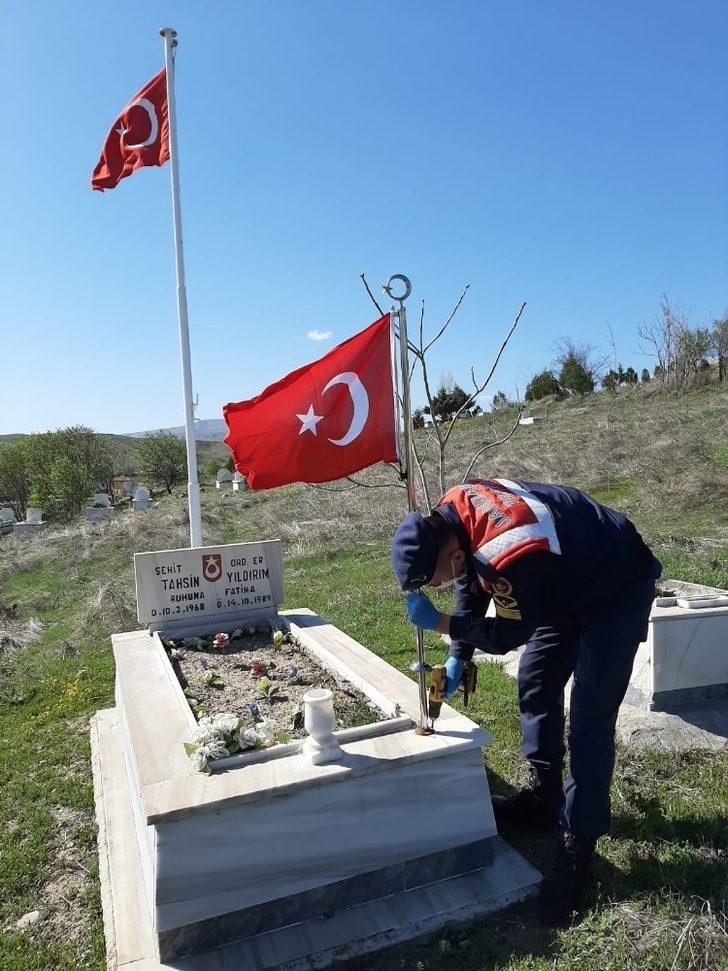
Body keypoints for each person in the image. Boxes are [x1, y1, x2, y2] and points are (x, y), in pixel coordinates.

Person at [390, 477, 661, 926]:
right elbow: (471, 585)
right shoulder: (451, 512)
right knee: (537, 680)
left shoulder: (509, 549)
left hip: (615, 584)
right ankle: (543, 796)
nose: (440, 586)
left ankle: (578, 845)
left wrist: (443, 624)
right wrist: (457, 655)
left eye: (434, 579)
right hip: (561, 578)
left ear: (451, 553)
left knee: (589, 719)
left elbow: (509, 633)